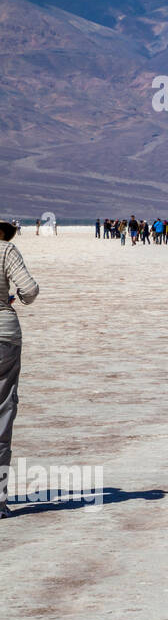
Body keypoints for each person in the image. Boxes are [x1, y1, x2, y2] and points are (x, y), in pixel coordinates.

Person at [0, 219, 39, 518]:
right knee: (3, 411)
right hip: (4, 335)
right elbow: (29, 288)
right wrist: (20, 298)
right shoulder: (6, 250)